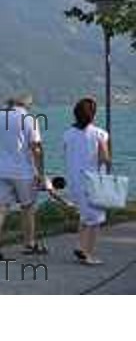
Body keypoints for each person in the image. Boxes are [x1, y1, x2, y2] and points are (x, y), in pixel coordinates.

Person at [0, 93, 48, 260]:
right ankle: (29, 244)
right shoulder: (29, 120)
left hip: (1, 169)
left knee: (0, 207)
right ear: (26, 104)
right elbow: (36, 148)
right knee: (27, 208)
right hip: (23, 171)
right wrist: (41, 173)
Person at [63, 98, 111, 265]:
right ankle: (88, 254)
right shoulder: (99, 134)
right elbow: (105, 158)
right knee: (95, 220)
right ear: (92, 115)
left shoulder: (68, 134)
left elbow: (68, 154)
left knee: (84, 216)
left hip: (75, 181)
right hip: (93, 182)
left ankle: (80, 246)